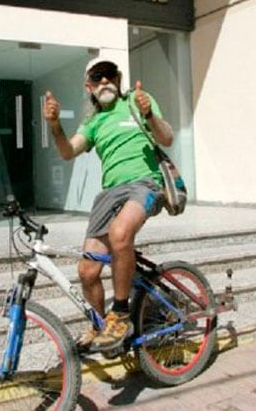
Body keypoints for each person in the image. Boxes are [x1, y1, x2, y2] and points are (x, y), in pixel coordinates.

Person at [42, 58, 174, 351]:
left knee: (119, 234)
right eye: (97, 77)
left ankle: (122, 314)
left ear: (118, 79)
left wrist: (149, 113)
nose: (105, 82)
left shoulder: (136, 102)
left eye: (110, 75)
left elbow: (167, 136)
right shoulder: (92, 121)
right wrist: (54, 125)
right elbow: (68, 152)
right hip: (110, 194)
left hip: (145, 184)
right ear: (88, 86)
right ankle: (100, 326)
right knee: (87, 271)